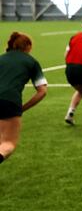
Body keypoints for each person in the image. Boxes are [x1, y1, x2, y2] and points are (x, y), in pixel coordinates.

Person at [0, 32, 47, 164]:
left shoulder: (1, 58)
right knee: (8, 143)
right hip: (9, 101)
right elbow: (42, 91)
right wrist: (23, 108)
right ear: (27, 46)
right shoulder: (31, 61)